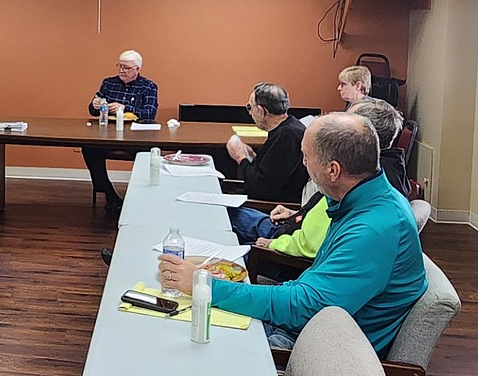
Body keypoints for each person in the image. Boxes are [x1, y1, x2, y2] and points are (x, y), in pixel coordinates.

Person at [160, 112, 427, 356]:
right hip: (313, 328)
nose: (303, 163)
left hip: (321, 351)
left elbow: (303, 308)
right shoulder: (365, 199)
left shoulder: (374, 228)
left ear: (333, 170)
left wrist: (204, 286)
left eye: (306, 157)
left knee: (174, 338)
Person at [230, 98, 408, 255]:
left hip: (286, 247)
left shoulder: (357, 181)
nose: (305, 162)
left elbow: (314, 245)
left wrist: (273, 244)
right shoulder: (374, 173)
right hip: (293, 228)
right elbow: (320, 222)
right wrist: (298, 214)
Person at [82, 49, 158, 216]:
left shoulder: (148, 86)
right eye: (120, 66)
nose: (122, 70)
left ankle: (140, 198)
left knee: (149, 153)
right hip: (108, 135)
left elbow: (150, 114)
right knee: (89, 149)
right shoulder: (108, 83)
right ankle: (110, 194)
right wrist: (95, 104)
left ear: (137, 69)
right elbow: (92, 111)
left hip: (136, 137)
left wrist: (125, 109)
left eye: (127, 68)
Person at [225, 82, 309, 204]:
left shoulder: (287, 136)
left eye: (250, 107)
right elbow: (270, 171)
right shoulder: (288, 128)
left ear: (261, 111)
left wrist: (240, 158)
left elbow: (261, 189)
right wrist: (252, 157)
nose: (249, 113)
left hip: (271, 207)